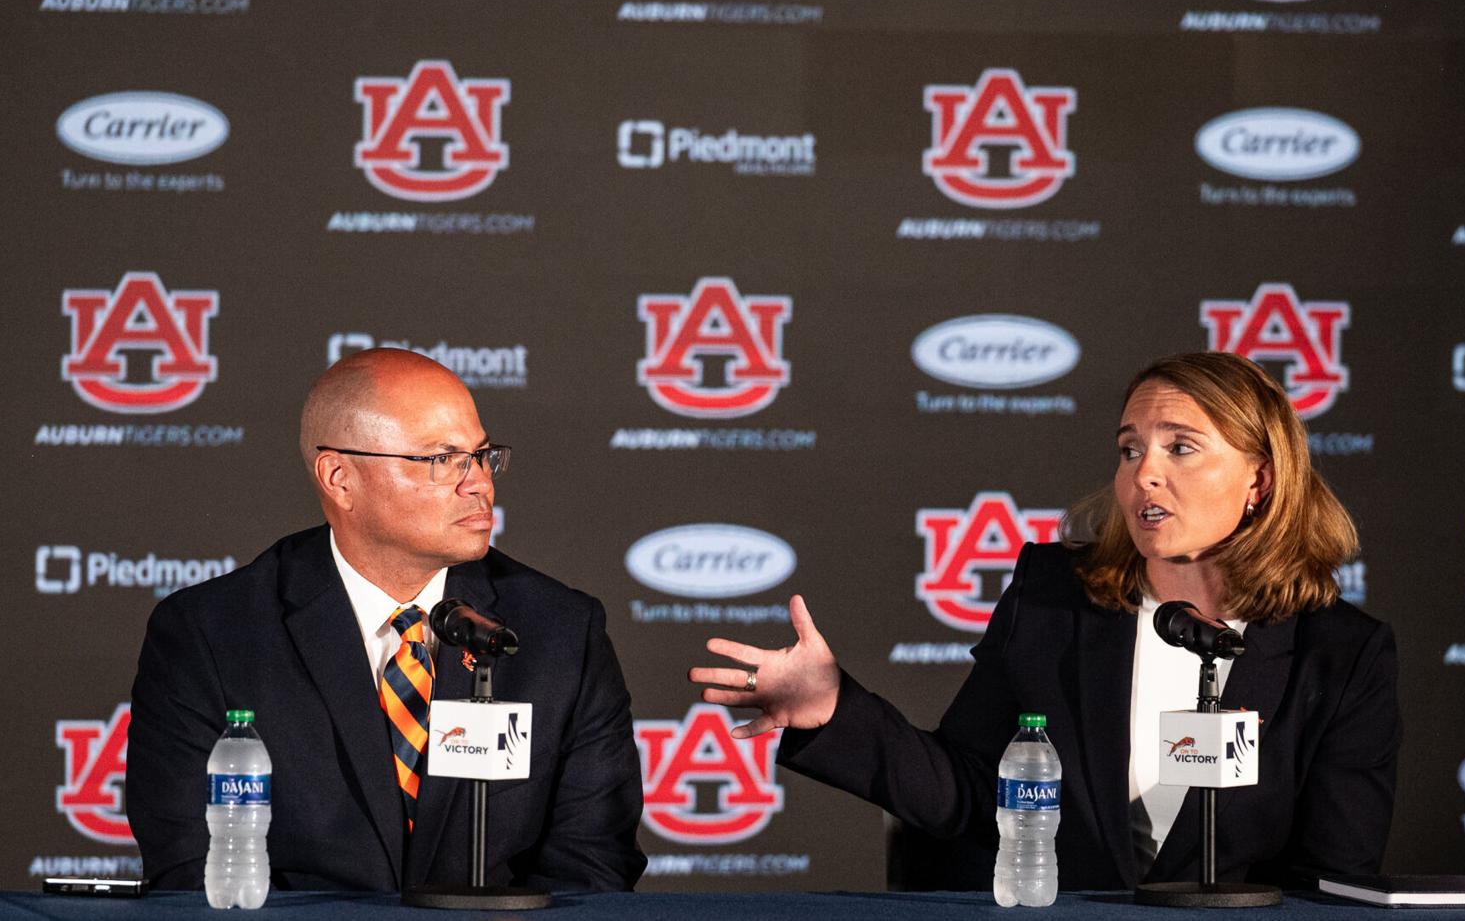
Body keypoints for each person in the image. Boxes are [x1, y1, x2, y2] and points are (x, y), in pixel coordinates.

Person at [690, 351, 1400, 890]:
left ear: (1260, 479)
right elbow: (969, 791)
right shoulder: (1057, 600)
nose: (1142, 475)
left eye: (1180, 446)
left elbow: (1335, 882)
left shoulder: (1339, 655)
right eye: (1130, 448)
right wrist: (832, 706)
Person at [127, 348, 645, 893]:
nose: (480, 485)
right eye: (442, 459)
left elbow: (592, 866)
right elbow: (195, 869)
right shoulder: (211, 633)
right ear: (339, 477)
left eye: (482, 455)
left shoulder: (561, 631)